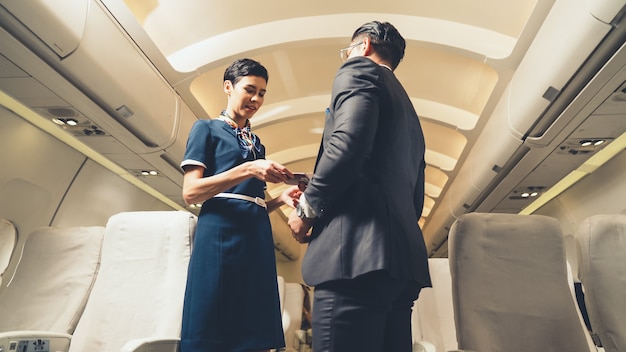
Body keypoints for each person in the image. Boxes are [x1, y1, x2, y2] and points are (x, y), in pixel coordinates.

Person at [287, 21, 432, 352]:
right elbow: (415, 197)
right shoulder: (410, 113)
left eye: (347, 52)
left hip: (354, 261)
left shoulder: (358, 70)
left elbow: (347, 145)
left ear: (364, 46)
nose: (346, 58)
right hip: (400, 266)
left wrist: (307, 209)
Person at [179, 58, 301, 352]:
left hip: (255, 237)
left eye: (262, 93)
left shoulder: (256, 143)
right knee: (214, 320)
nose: (256, 99)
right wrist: (248, 169)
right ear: (228, 87)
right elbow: (191, 192)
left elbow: (249, 200)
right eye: (250, 89)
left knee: (255, 326)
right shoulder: (206, 129)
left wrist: (279, 199)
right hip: (221, 234)